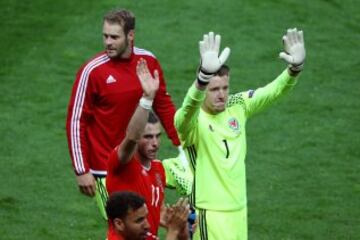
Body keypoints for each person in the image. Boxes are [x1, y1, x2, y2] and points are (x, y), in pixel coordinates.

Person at [174, 29, 306, 240]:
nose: (222, 95)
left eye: (225, 87)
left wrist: (294, 70)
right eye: (214, 89)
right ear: (203, 89)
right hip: (210, 213)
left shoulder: (238, 105)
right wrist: (201, 79)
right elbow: (182, 117)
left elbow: (272, 91)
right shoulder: (193, 121)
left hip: (238, 208)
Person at [65, 8, 183, 219]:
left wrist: (181, 144)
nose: (108, 42)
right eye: (105, 36)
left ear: (130, 36)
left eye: (114, 37)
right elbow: (76, 121)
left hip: (140, 165)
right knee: (126, 227)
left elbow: (163, 104)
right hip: (105, 170)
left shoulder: (148, 61)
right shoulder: (92, 71)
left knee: (149, 224)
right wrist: (81, 169)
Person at [106, 58, 191, 239]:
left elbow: (157, 213)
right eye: (148, 137)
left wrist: (175, 222)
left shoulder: (159, 170)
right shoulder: (121, 164)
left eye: (157, 136)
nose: (155, 143)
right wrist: (147, 99)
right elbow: (131, 137)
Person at [106, 191, 190, 240]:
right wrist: (173, 230)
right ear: (119, 224)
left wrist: (181, 232)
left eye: (146, 217)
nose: (147, 225)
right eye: (139, 220)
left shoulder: (141, 236)